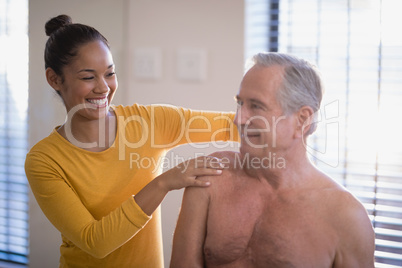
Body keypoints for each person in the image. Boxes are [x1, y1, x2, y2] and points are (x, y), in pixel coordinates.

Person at [25, 15, 238, 268]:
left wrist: (290, 117)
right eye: (88, 77)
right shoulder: (44, 160)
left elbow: (232, 125)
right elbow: (96, 242)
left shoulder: (149, 121)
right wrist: (163, 183)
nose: (104, 88)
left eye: (110, 73)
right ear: (54, 79)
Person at [170, 52, 375, 268]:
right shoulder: (211, 177)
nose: (238, 119)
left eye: (256, 106)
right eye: (240, 103)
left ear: (302, 120)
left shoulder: (345, 216)